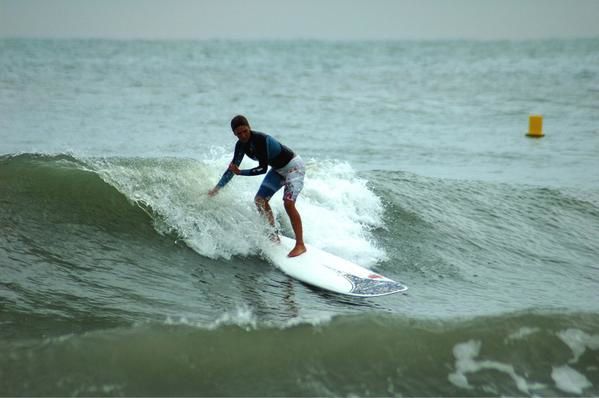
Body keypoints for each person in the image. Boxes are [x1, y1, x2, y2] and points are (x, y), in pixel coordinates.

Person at [208, 115, 307, 257]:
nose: (243, 135)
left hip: (293, 167)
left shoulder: (261, 140)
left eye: (245, 131)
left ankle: (300, 245)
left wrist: (240, 172)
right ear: (234, 134)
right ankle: (273, 236)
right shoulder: (240, 145)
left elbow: (262, 169)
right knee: (260, 199)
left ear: (249, 128)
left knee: (288, 203)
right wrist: (216, 189)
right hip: (278, 170)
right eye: (239, 133)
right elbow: (232, 169)